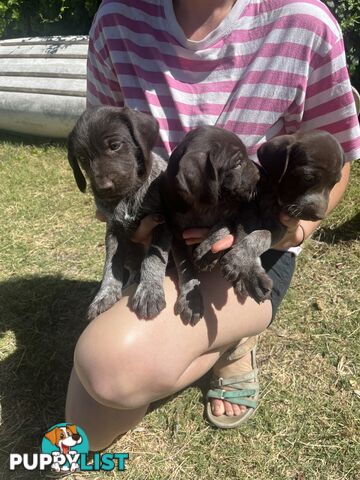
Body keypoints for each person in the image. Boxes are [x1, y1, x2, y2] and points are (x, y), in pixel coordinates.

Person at [65, 0, 360, 450]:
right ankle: (184, 338)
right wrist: (131, 233)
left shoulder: (304, 22)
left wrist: (289, 233)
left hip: (251, 244)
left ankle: (233, 342)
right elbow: (104, 145)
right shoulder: (117, 19)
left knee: (110, 367)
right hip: (163, 235)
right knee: (88, 432)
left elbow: (334, 159)